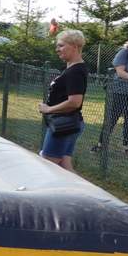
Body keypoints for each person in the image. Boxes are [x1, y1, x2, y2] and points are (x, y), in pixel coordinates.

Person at [38, 29, 88, 171]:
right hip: (67, 123)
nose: (57, 49)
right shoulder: (72, 68)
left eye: (61, 45)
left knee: (49, 165)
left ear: (75, 46)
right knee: (63, 165)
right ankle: (79, 187)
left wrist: (49, 109)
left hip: (64, 125)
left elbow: (75, 102)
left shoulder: (75, 71)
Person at [94, 36, 128, 154]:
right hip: (119, 91)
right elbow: (120, 72)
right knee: (112, 118)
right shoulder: (124, 53)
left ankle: (126, 146)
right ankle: (101, 144)